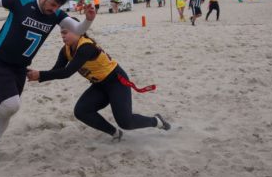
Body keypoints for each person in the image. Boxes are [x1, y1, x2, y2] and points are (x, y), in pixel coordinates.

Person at [0, 0, 96, 163]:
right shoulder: (21, 1)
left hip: (20, 67)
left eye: (58, 6)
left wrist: (89, 19)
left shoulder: (56, 15)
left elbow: (77, 28)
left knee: (8, 110)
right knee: (12, 105)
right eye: (52, 4)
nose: (54, 8)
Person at [26, 20, 171, 141]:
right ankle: (115, 133)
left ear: (79, 31)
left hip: (116, 82)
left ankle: (156, 121)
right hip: (100, 85)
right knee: (81, 111)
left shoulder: (86, 47)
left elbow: (67, 72)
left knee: (126, 122)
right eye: (61, 33)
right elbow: (56, 71)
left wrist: (40, 75)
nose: (62, 36)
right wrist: (31, 73)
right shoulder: (66, 49)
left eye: (65, 32)